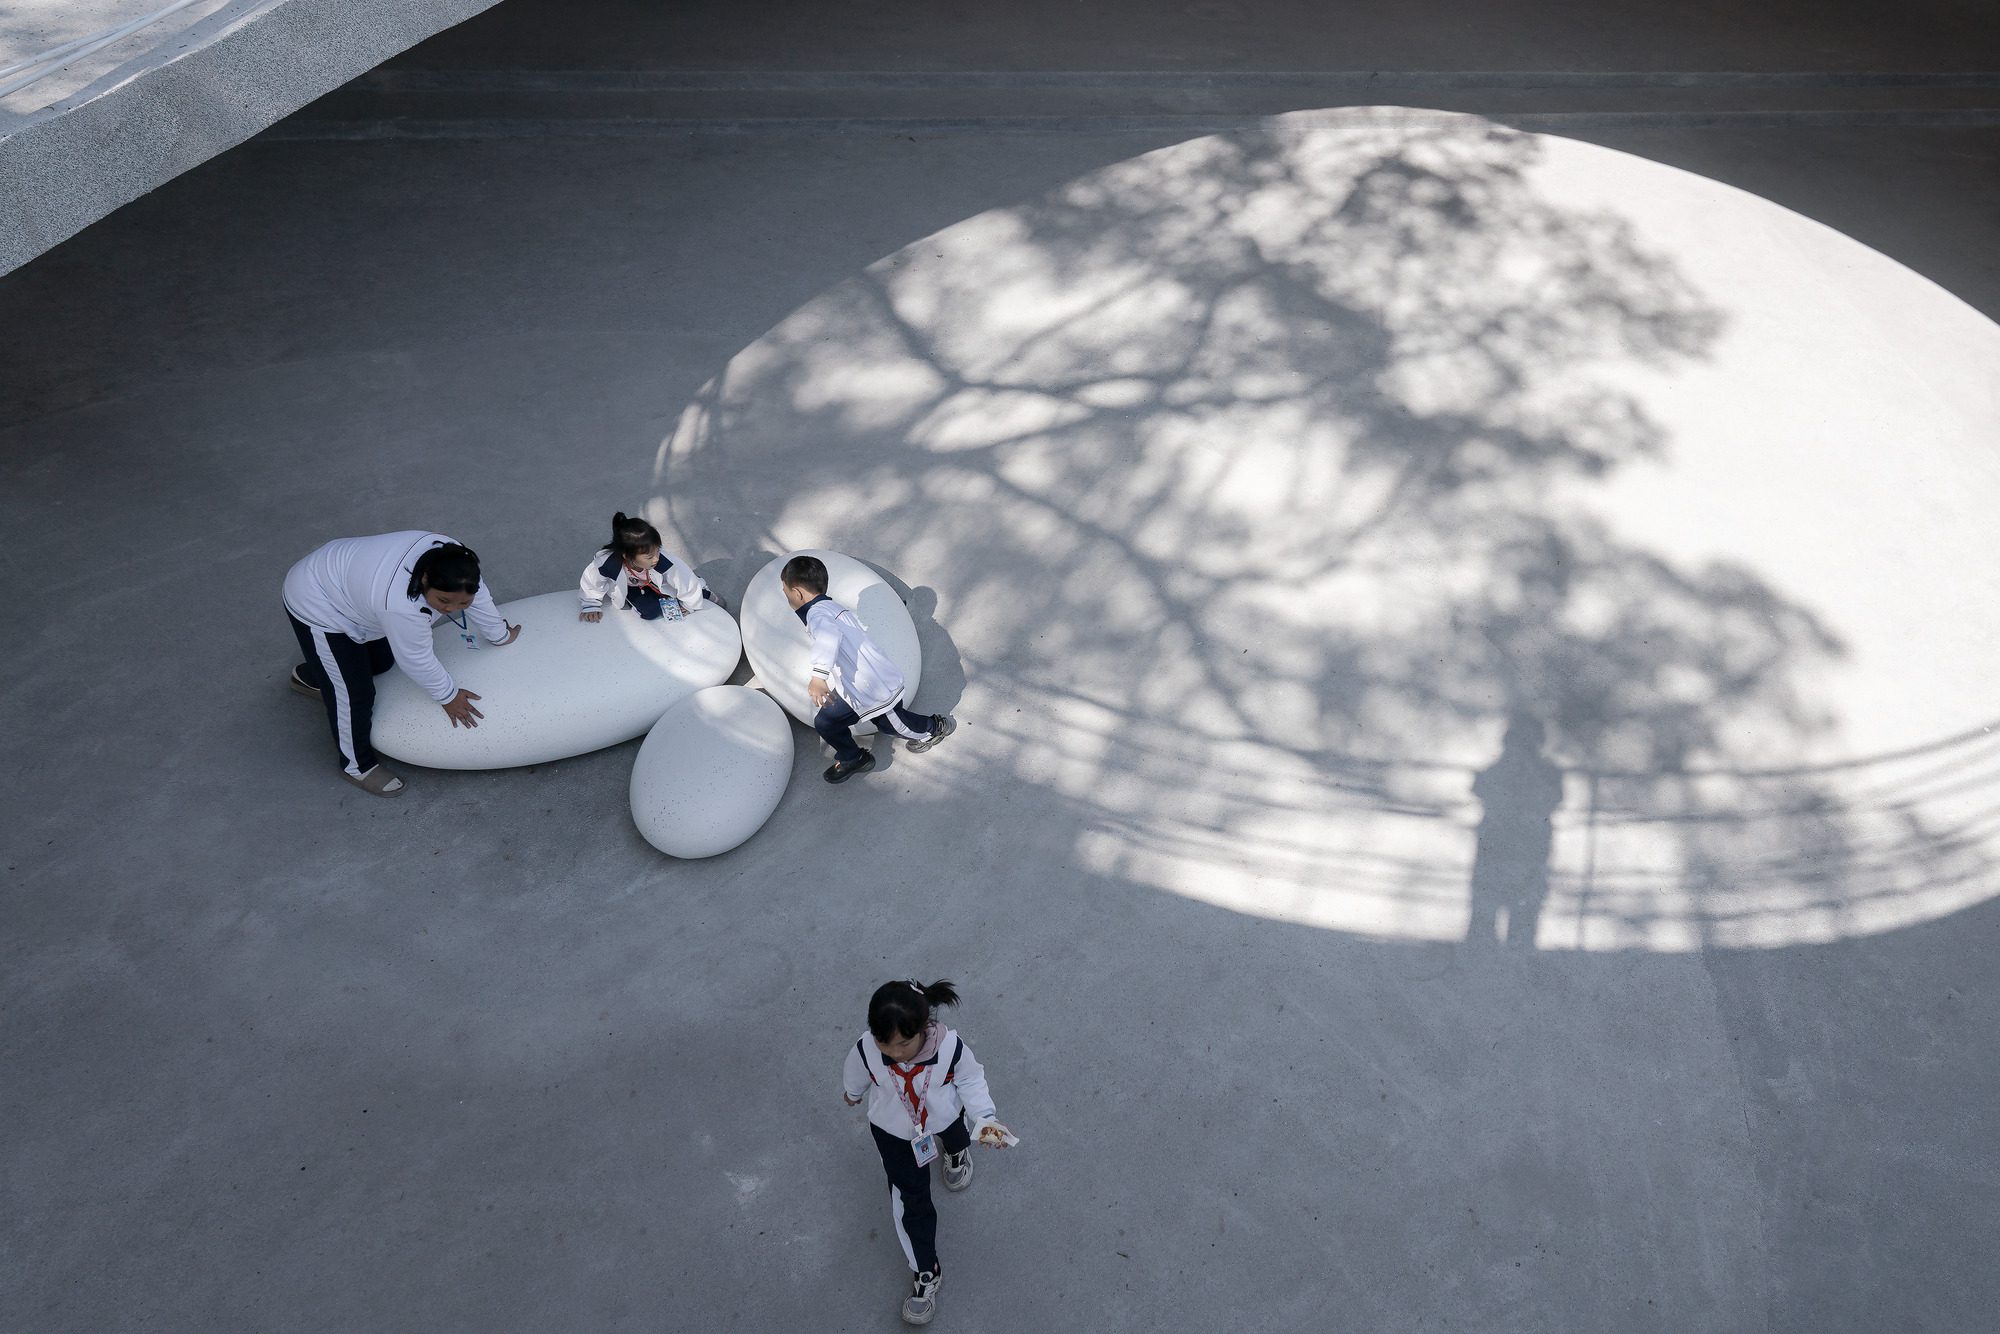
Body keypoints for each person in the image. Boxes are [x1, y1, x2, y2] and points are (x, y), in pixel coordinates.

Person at [283, 532, 520, 796]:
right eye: (443, 601)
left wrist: (499, 634)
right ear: (425, 579)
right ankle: (357, 766)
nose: (452, 609)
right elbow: (415, 659)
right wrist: (448, 696)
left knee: (382, 663)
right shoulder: (400, 605)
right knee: (355, 694)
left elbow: (480, 596)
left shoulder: (456, 562)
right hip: (319, 602)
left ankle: (313, 676)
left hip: (355, 592)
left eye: (463, 603)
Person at [842, 979, 1014, 1327]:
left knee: (953, 1131)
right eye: (884, 1043)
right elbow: (857, 1070)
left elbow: (971, 1080)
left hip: (942, 1115)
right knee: (910, 1201)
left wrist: (985, 1118)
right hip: (893, 1132)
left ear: (923, 1029)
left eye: (904, 1044)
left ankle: (956, 1152)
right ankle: (926, 1269)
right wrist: (853, 1092)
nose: (894, 1053)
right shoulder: (866, 1048)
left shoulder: (950, 1048)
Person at [780, 555, 953, 783]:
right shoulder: (829, 607)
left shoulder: (817, 614)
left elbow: (829, 638)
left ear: (798, 593)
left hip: (872, 686)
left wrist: (819, 677)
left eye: (785, 590)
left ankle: (933, 728)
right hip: (855, 686)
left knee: (892, 724)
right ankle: (853, 758)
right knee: (826, 722)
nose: (784, 595)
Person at [578, 512, 725, 624]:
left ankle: (704, 590)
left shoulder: (665, 563)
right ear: (626, 556)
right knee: (649, 613)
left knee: (690, 591)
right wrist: (591, 604)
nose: (656, 558)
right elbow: (591, 582)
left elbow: (685, 581)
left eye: (657, 550)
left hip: (665, 583)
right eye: (649, 556)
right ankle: (663, 599)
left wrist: (689, 605)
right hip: (635, 587)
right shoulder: (608, 564)